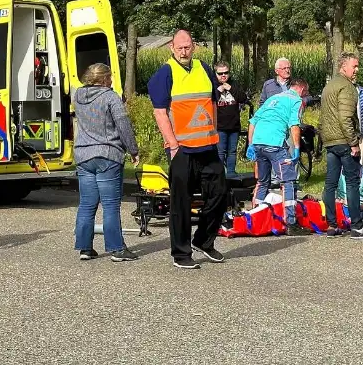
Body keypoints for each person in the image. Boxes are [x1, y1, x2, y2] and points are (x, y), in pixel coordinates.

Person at [148, 30, 229, 269]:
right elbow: (160, 113)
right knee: (181, 204)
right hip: (182, 148)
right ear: (171, 48)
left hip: (207, 146)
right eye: (179, 47)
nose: (184, 51)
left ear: (193, 47)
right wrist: (172, 145)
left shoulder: (203, 69)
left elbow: (213, 103)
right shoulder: (165, 74)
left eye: (188, 47)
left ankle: (203, 240)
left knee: (220, 194)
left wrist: (214, 133)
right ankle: (181, 254)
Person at [72, 63, 140, 262]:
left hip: (84, 155)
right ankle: (117, 249)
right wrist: (133, 150)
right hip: (107, 154)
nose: (111, 80)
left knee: (86, 204)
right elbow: (123, 124)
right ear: (103, 79)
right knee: (110, 205)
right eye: (109, 77)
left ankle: (85, 247)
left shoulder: (78, 96)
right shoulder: (110, 96)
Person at [321, 52, 363, 239]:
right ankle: (357, 226)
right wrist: (353, 142)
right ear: (343, 66)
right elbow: (345, 118)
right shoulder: (347, 88)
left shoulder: (329, 86)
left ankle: (331, 225)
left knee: (330, 184)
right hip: (344, 140)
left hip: (330, 140)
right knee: (352, 182)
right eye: (354, 66)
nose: (357, 70)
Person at [246, 78, 311, 235]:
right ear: (302, 90)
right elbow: (294, 125)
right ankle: (291, 223)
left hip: (259, 142)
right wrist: (296, 148)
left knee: (262, 182)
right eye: (306, 94)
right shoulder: (296, 100)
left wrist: (251, 144)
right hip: (275, 144)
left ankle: (255, 219)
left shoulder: (273, 99)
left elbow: (253, 121)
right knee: (288, 181)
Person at [213, 62, 246, 177]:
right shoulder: (213, 85)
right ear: (216, 74)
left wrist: (231, 89)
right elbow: (209, 100)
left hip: (234, 125)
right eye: (220, 73)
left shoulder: (234, 84)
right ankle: (220, 174)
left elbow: (243, 98)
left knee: (232, 151)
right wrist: (218, 90)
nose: (223, 75)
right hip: (220, 126)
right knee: (220, 152)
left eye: (226, 73)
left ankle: (231, 173)